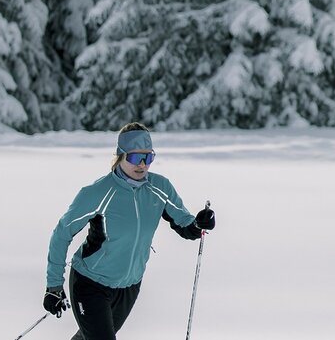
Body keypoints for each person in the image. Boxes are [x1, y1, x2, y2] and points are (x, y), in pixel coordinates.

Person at [43, 122, 216, 340]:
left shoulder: (160, 188)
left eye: (148, 157)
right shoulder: (98, 193)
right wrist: (54, 286)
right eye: (135, 157)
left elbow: (185, 224)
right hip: (90, 283)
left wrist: (200, 224)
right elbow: (61, 234)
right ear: (120, 155)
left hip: (129, 287)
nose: (142, 164)